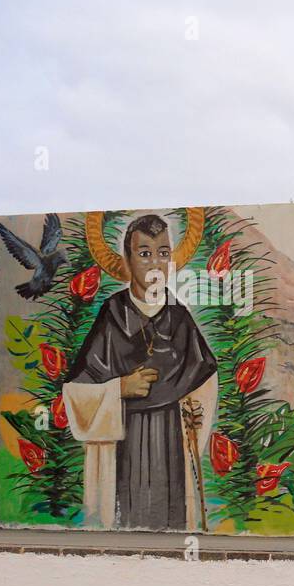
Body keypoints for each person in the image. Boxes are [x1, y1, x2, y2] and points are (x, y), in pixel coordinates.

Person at [63, 213, 218, 530]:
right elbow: (77, 391)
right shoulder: (112, 315)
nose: (155, 263)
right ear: (128, 260)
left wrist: (192, 409)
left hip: (170, 438)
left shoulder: (179, 318)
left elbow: (205, 377)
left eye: (163, 253)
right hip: (124, 440)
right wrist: (118, 388)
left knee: (172, 523)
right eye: (144, 253)